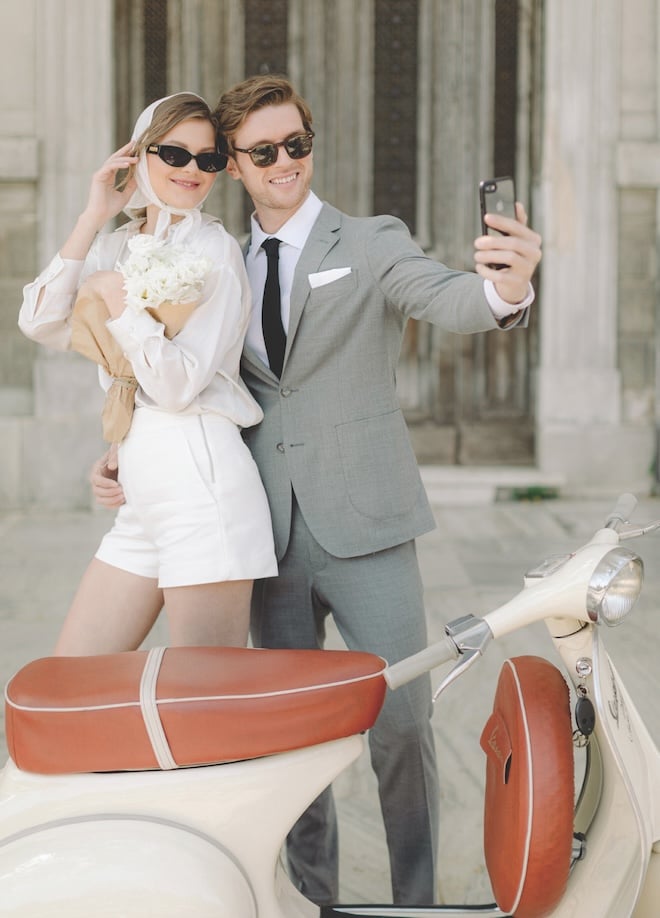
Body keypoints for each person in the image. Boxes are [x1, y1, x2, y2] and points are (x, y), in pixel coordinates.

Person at [91, 75, 542, 905]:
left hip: (366, 523)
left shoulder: (368, 240)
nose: (285, 163)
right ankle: (316, 897)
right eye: (264, 151)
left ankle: (415, 902)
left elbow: (444, 294)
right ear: (234, 164)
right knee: (290, 735)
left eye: (296, 144)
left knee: (403, 725)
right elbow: (181, 379)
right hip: (264, 528)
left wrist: (506, 290)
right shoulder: (210, 256)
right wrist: (124, 453)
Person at [19, 92, 277, 657]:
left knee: (204, 704)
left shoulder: (214, 252)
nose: (192, 171)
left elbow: (178, 387)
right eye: (174, 153)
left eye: (208, 160)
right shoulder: (113, 244)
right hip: (143, 496)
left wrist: (123, 309)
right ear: (138, 156)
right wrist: (93, 217)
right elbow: (40, 322)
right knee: (73, 678)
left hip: (202, 491)